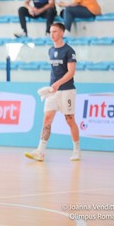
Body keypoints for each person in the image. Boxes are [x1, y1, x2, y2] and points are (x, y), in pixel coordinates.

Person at [24, 22, 81, 162]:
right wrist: (52, 87)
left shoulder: (69, 51)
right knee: (47, 119)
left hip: (67, 90)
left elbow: (71, 72)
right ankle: (40, 152)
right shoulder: (50, 50)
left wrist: (57, 84)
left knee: (70, 120)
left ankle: (76, 150)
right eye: (51, 32)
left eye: (55, 31)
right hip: (53, 91)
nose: (52, 34)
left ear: (62, 33)